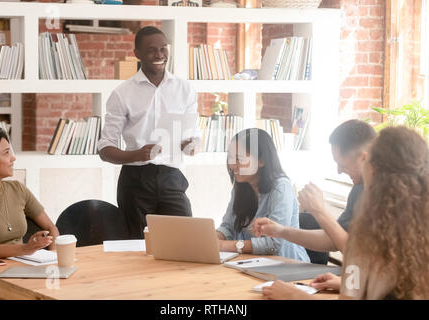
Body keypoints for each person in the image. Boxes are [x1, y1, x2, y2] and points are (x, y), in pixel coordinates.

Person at [260, 126, 429, 299]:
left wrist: (293, 296)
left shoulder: (371, 234)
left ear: (366, 160)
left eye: (342, 164)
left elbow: (352, 251)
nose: (339, 170)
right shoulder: (417, 231)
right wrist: (349, 284)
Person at [97, 26, 200, 239]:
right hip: (135, 181)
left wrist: (191, 146)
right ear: (137, 54)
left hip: (172, 177)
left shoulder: (185, 89)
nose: (160, 55)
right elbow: (105, 150)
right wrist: (135, 155)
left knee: (185, 240)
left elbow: (194, 138)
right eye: (152, 50)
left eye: (163, 49)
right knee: (138, 246)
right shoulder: (122, 94)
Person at [253, 120, 377, 256]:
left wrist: (320, 211)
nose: (339, 171)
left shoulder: (391, 195)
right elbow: (334, 239)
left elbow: (356, 255)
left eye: (343, 165)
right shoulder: (358, 189)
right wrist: (281, 231)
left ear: (363, 158)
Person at [0, 126, 59, 299]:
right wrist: (25, 248)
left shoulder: (18, 190)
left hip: (25, 272)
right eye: (6, 153)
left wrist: (51, 262)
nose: (13, 158)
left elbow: (51, 228)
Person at [216, 128, 309, 262]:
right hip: (251, 263)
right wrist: (214, 238)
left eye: (239, 159)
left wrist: (225, 245)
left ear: (261, 161)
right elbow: (228, 227)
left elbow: (273, 244)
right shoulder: (241, 186)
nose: (232, 165)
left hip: (287, 265)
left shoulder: (281, 187)